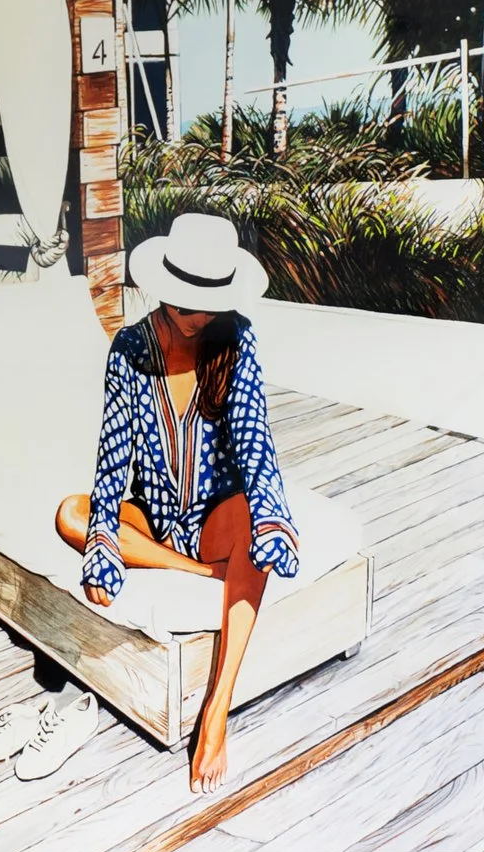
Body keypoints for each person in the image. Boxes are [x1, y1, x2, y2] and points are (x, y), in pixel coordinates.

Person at [55, 210, 301, 792]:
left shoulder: (238, 339)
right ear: (164, 291)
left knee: (253, 522)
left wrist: (270, 517)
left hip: (214, 511)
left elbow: (254, 443)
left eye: (211, 302)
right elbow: (113, 455)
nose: (201, 315)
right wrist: (101, 541)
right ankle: (205, 573)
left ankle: (217, 710)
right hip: (155, 512)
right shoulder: (130, 347)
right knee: (72, 512)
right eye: (189, 302)